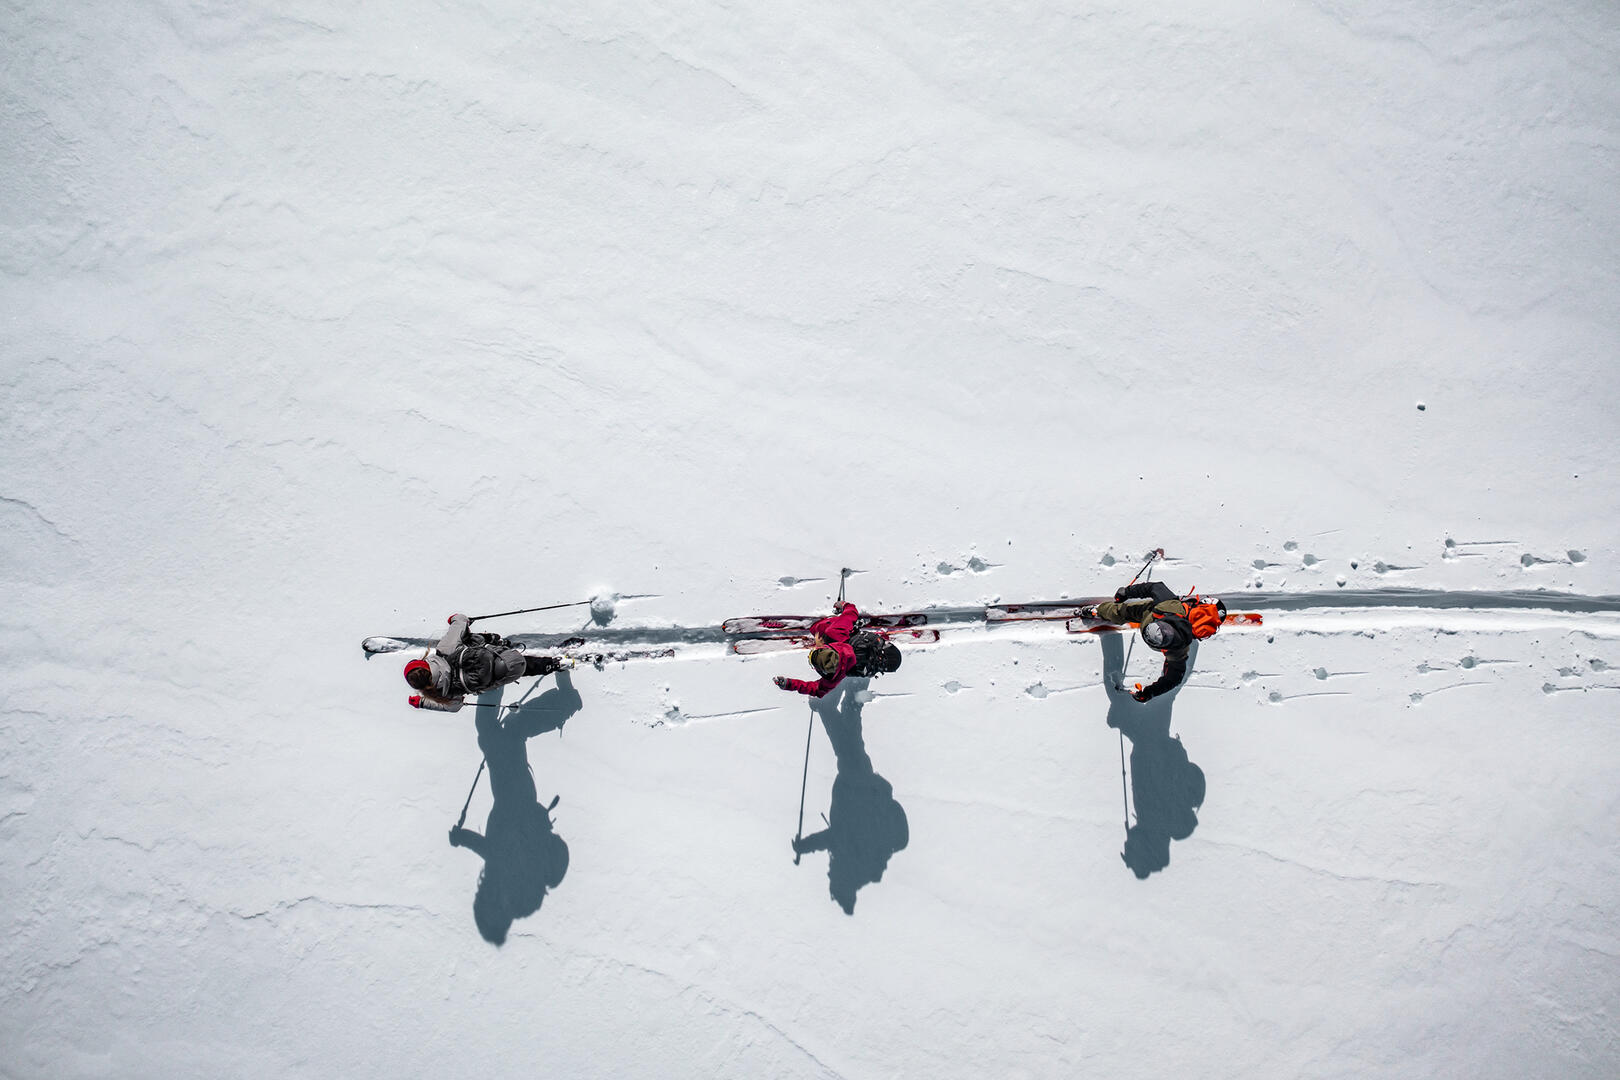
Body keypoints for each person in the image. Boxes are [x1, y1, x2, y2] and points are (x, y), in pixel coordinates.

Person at [1081, 584, 1226, 702]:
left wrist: (1126, 592)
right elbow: (1174, 678)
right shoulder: (1179, 649)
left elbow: (1154, 587)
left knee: (1125, 611)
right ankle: (1100, 611)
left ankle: (1097, 611)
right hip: (1157, 640)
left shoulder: (1170, 604)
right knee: (1172, 660)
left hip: (1150, 618)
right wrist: (1149, 693)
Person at [403, 613, 562, 711]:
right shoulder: (445, 649)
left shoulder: (441, 694)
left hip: (503, 675)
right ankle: (497, 641)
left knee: (501, 673)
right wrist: (455, 619)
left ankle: (552, 664)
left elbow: (454, 707)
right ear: (423, 663)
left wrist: (423, 703)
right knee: (468, 640)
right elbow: (460, 620)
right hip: (497, 655)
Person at [772, 601, 902, 698]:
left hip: (854, 651)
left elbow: (817, 689)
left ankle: (854, 629)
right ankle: (854, 629)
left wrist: (789, 684)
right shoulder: (835, 634)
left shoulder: (834, 676)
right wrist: (844, 605)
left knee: (817, 629)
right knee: (818, 629)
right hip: (851, 646)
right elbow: (851, 611)